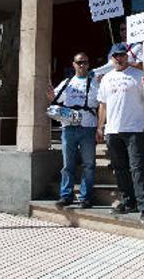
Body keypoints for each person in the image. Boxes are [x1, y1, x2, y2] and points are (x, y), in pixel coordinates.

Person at [96, 42, 144, 223]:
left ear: (127, 56)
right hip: (113, 130)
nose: (119, 58)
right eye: (115, 56)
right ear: (111, 58)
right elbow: (103, 104)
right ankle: (127, 201)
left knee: (138, 169)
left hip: (134, 129)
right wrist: (100, 127)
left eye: (122, 55)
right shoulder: (106, 78)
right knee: (120, 169)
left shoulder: (139, 75)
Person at [48, 52, 99, 208]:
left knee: (88, 164)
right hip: (69, 127)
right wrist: (50, 94)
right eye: (79, 62)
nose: (82, 65)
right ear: (74, 64)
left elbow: (103, 102)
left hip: (88, 127)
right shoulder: (67, 82)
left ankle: (85, 197)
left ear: (89, 64)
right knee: (67, 164)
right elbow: (54, 98)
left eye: (84, 62)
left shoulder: (95, 83)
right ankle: (66, 196)